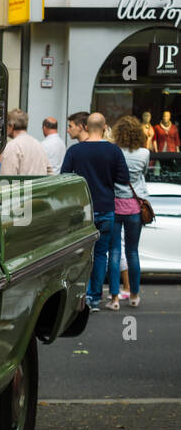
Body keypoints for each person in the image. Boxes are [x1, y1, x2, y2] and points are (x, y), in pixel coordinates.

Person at [61, 112, 129, 312]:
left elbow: (64, 177)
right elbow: (124, 179)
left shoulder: (75, 151)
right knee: (101, 254)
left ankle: (81, 294)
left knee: (83, 253)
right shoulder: (114, 151)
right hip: (107, 208)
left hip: (83, 209)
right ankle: (94, 297)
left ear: (86, 127)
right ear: (105, 126)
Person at [112, 115, 151, 309]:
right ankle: (134, 295)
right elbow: (142, 174)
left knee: (115, 251)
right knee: (133, 251)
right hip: (135, 207)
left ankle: (115, 297)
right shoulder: (144, 153)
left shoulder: (115, 151)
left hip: (115, 204)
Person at [0, 109, 50, 175]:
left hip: (21, 185)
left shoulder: (12, 147)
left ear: (11, 126)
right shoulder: (38, 145)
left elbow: (6, 179)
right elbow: (49, 173)